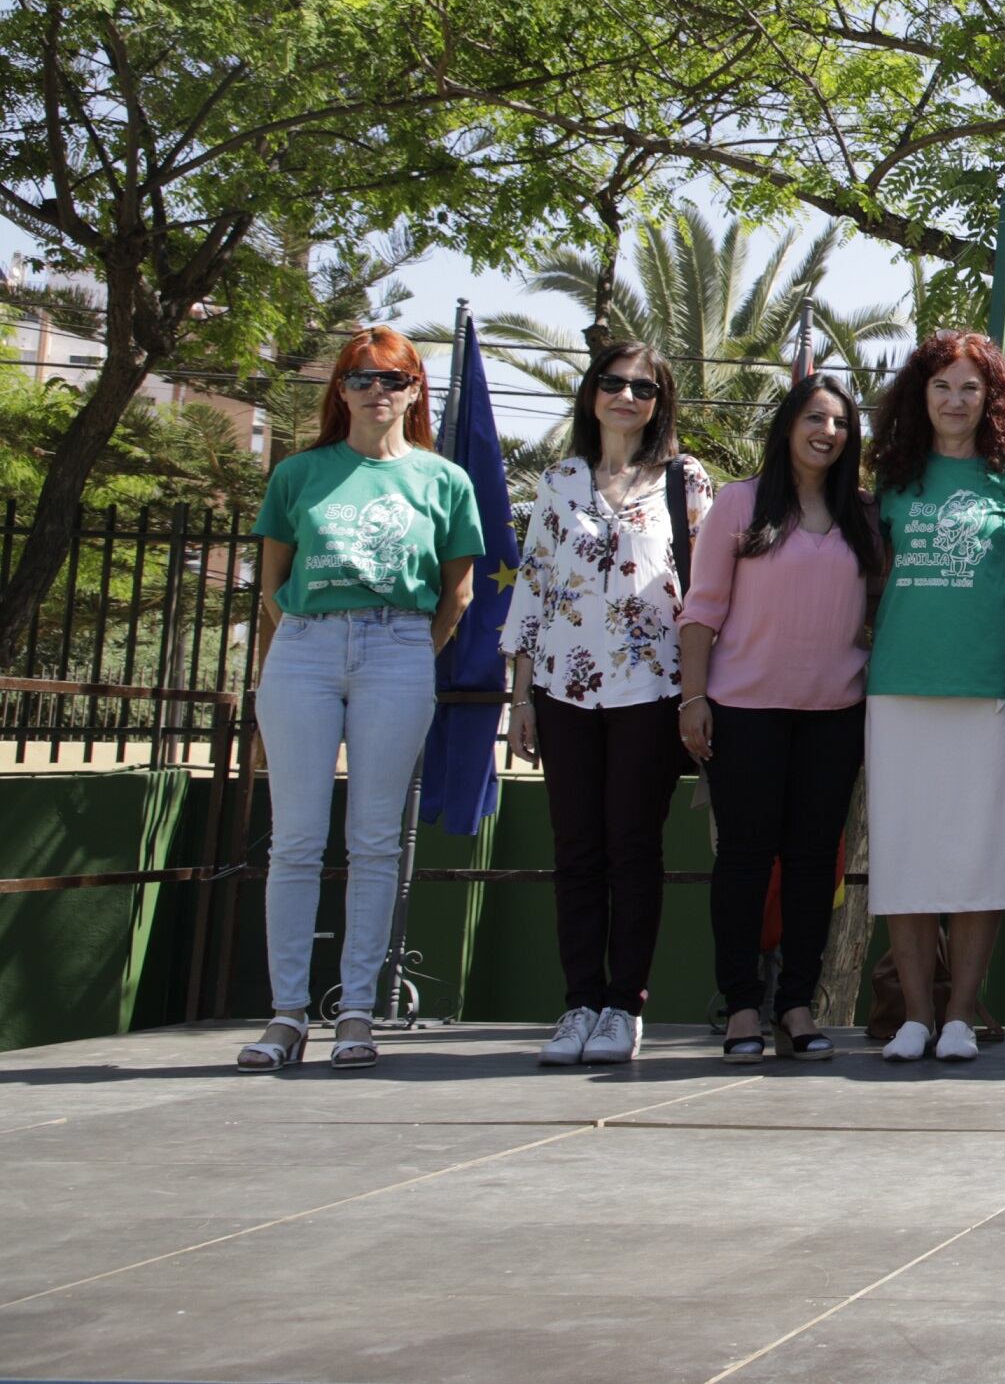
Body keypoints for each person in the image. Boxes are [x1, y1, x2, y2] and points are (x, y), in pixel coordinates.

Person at [236, 328, 481, 1071]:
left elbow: (458, 593)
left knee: (376, 842)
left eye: (394, 380)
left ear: (416, 392)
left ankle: (356, 1014)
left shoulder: (443, 480)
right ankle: (283, 1016)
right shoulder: (298, 473)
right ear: (338, 391)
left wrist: (404, 653)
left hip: (398, 649)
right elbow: (273, 584)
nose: (378, 392)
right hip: (305, 650)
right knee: (296, 841)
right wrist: (310, 642)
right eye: (361, 379)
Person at [505, 341, 713, 1068]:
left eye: (644, 388)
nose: (627, 397)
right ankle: (578, 1003)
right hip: (563, 688)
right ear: (590, 393)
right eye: (613, 383)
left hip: (650, 690)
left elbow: (708, 594)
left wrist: (698, 692)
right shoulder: (559, 481)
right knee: (576, 849)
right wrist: (521, 696)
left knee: (633, 848)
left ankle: (624, 1005)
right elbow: (533, 591)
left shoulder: (686, 482)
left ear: (662, 402)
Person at [678, 373, 879, 1062]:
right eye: (816, 419)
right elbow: (701, 610)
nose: (828, 433)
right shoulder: (738, 504)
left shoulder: (864, 513)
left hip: (835, 716)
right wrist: (694, 697)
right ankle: (740, 1006)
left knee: (812, 864)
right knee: (742, 859)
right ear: (788, 425)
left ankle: (796, 1003)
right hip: (744, 712)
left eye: (841, 424)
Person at [863, 331, 1005, 1064]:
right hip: (901, 686)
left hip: (992, 684)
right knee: (907, 855)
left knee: (982, 855)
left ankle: (961, 1017)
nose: (954, 400)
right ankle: (913, 1016)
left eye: (970, 387)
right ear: (921, 394)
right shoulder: (892, 476)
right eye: (942, 386)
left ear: (992, 398)